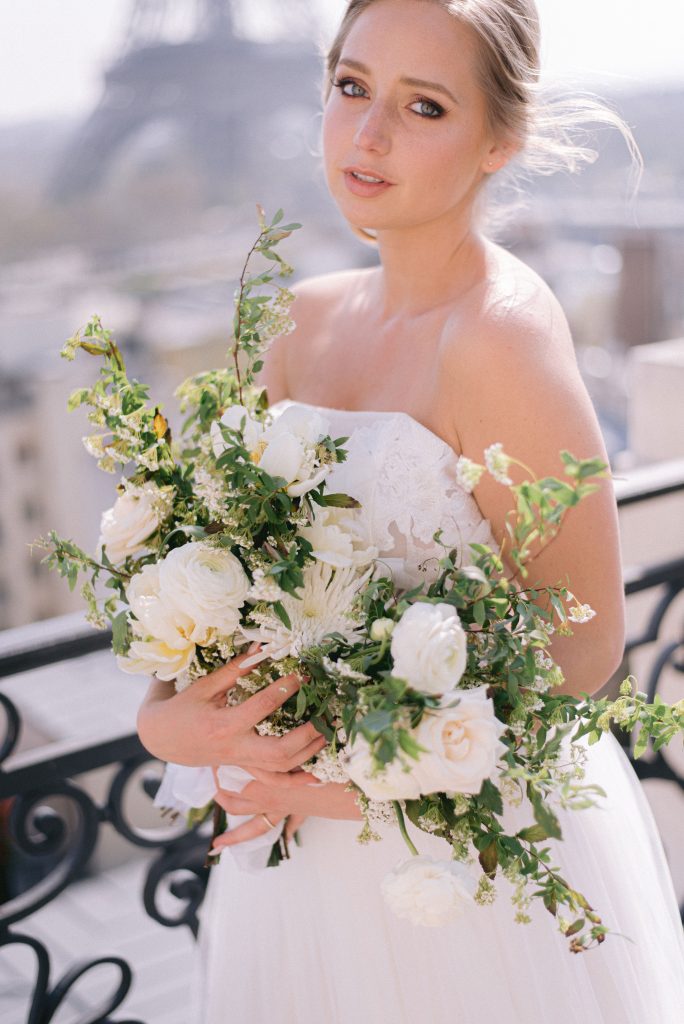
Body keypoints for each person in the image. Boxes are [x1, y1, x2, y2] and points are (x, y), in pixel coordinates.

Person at [138, 2, 684, 1020]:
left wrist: (360, 787)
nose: (368, 135)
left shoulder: (500, 338)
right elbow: (226, 585)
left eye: (422, 105)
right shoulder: (297, 321)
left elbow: (587, 644)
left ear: (498, 139)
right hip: (293, 872)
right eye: (351, 87)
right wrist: (166, 718)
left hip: (452, 869)